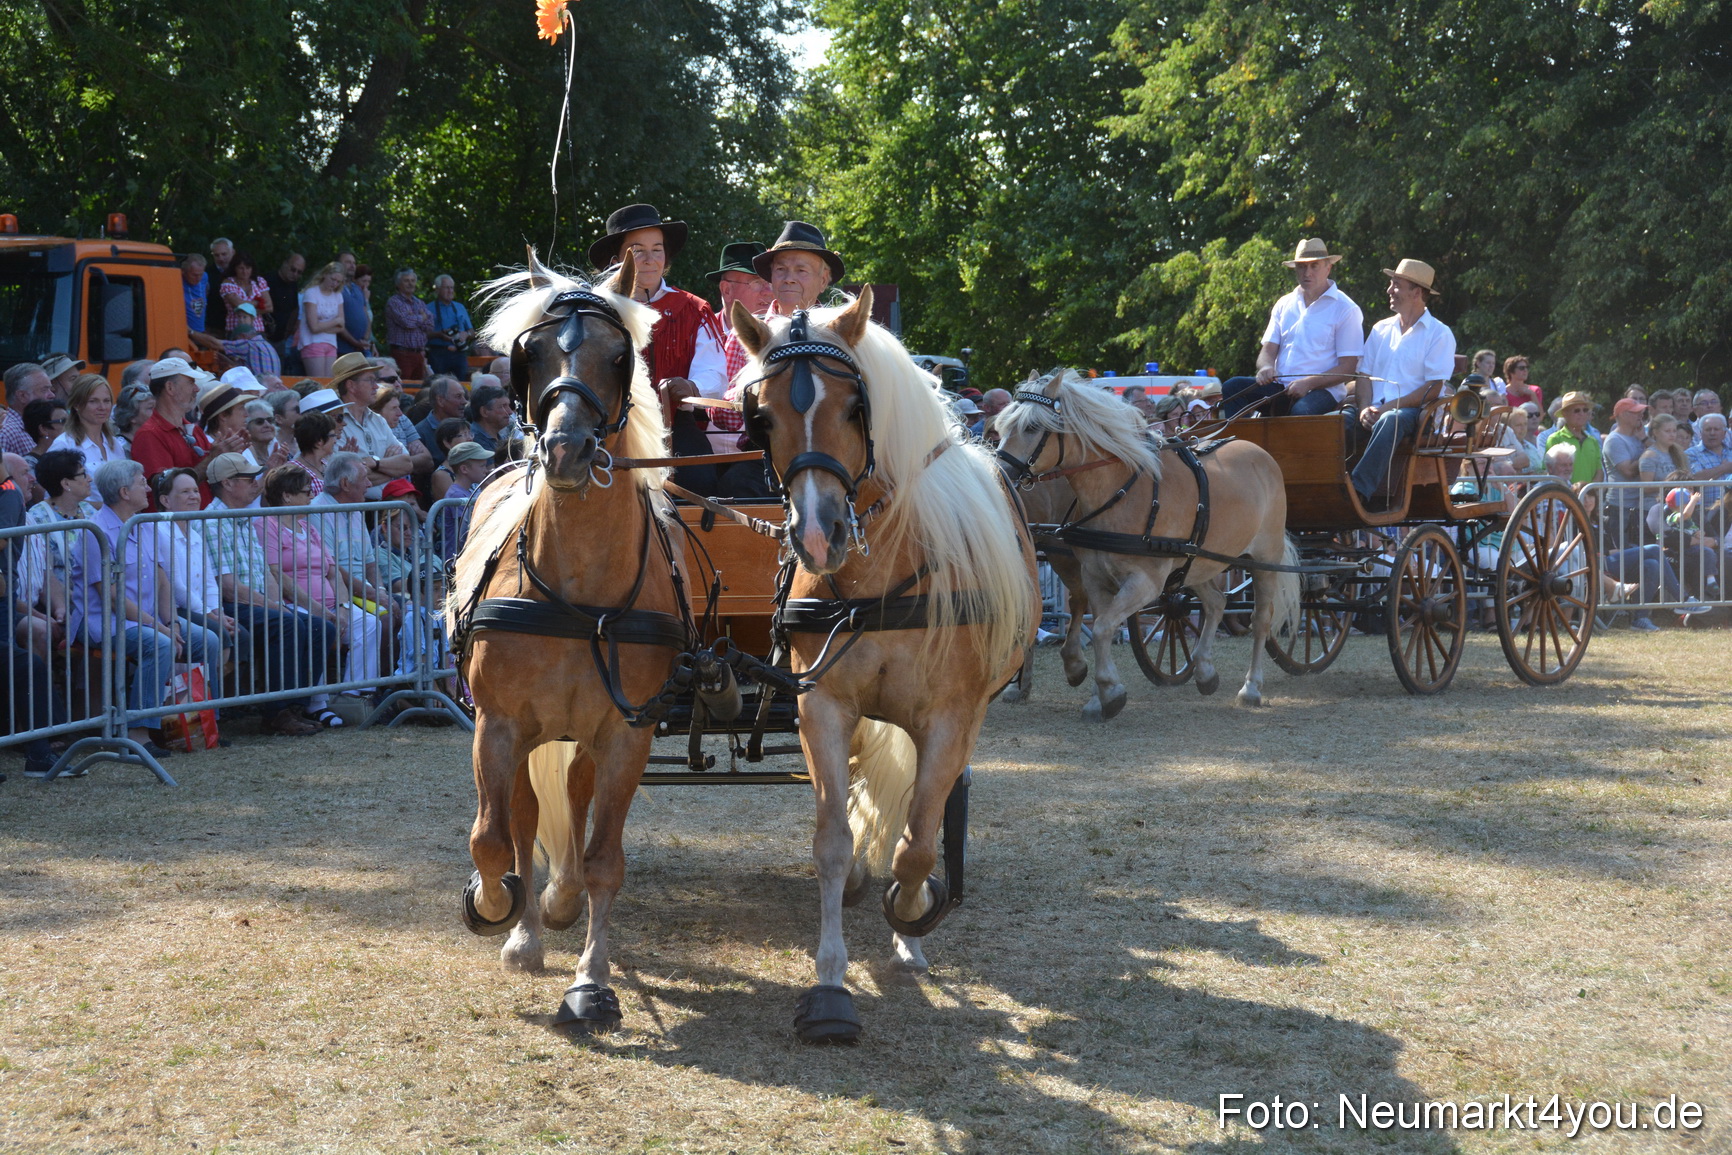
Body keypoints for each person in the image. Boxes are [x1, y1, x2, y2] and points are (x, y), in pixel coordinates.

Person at [66, 459, 223, 755]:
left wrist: (172, 622)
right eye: (141, 482)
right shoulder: (94, 532)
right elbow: (110, 596)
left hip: (150, 619)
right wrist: (159, 626)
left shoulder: (144, 525)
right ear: (124, 492)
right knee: (161, 645)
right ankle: (137, 732)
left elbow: (163, 579)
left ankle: (206, 724)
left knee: (208, 640)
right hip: (107, 622)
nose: (147, 488)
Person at [589, 203, 727, 491]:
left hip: (676, 425)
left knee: (700, 481)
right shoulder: (593, 309)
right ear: (617, 259)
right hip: (603, 427)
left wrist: (690, 386)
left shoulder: (692, 308)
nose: (649, 259)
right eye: (637, 250)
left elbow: (716, 376)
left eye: (657, 249)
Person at [204, 454, 331, 735]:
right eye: (248, 479)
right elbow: (227, 587)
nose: (256, 484)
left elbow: (267, 574)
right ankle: (277, 711)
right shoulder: (212, 522)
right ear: (227, 483)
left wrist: (278, 605)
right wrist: (277, 607)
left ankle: (295, 706)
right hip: (229, 605)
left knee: (322, 627)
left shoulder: (245, 519)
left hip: (254, 602)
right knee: (287, 623)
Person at [257, 464, 383, 700]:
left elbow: (332, 571)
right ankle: (318, 704)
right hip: (297, 605)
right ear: (286, 496)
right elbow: (276, 575)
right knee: (319, 627)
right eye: (306, 492)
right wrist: (317, 609)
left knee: (367, 623)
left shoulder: (308, 527)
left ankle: (354, 695)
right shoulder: (266, 525)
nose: (312, 497)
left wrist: (343, 607)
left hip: (331, 606)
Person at [1348, 259, 1456, 505]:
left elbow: (1433, 388)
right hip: (1374, 409)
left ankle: (1357, 492)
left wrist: (1386, 408)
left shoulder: (1439, 333)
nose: (1389, 290)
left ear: (1416, 292)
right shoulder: (1381, 329)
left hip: (1413, 415)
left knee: (1390, 420)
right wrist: (1364, 407)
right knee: (1336, 421)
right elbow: (1363, 375)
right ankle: (1324, 484)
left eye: (1396, 284)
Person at [1220, 238, 1363, 418]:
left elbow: (1348, 368)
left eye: (1314, 266)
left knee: (1301, 411)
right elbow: (1268, 350)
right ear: (1295, 269)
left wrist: (1309, 383)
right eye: (1302, 267)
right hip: (1281, 388)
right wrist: (1265, 367)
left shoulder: (1346, 309)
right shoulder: (1284, 303)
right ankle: (1240, 442)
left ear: (1328, 267)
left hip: (1323, 392)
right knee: (1232, 387)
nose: (1307, 272)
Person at [153, 468, 244, 698]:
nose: (194, 496)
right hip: (174, 608)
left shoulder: (194, 530)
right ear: (165, 500)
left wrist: (217, 611)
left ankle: (221, 702)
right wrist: (210, 615)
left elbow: (208, 579)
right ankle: (208, 708)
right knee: (219, 635)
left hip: (199, 608)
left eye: (195, 490)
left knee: (240, 634)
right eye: (185, 492)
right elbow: (176, 587)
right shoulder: (160, 532)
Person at [705, 240, 771, 452]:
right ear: (726, 290)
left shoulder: (776, 336)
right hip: (699, 453)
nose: (768, 292)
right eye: (757, 283)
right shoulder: (695, 331)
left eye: (769, 283)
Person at [130, 359, 220, 506]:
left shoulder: (194, 430)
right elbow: (166, 488)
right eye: (191, 383)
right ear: (170, 388)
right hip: (171, 527)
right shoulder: (149, 434)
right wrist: (212, 458)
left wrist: (227, 456)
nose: (197, 389)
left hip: (196, 525)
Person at [326, 354, 411, 490]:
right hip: (358, 508)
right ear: (351, 386)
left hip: (387, 508)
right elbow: (347, 477)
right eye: (370, 380)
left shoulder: (378, 420)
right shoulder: (335, 423)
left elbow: (407, 464)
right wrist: (390, 470)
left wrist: (374, 463)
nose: (376, 386)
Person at [1601, 397, 1650, 547]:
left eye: (1641, 412)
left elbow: (1660, 454)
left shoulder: (1640, 435)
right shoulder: (1614, 440)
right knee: (1624, 550)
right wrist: (1648, 454)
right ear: (1622, 415)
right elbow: (1628, 471)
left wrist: (1644, 439)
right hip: (1620, 507)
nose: (1641, 415)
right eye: (1635, 412)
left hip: (1638, 505)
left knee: (1642, 549)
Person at [437, 441, 494, 557]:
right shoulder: (456, 495)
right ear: (464, 469)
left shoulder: (470, 491)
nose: (486, 470)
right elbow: (468, 530)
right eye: (482, 466)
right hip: (457, 560)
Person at [297, 263, 349, 378]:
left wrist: (322, 326)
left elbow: (341, 327)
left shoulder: (337, 295)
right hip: (312, 342)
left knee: (329, 383)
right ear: (325, 274)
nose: (334, 284)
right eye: (333, 279)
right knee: (318, 383)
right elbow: (314, 327)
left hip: (331, 343)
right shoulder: (312, 293)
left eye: (338, 282)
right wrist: (335, 321)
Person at [369, 384, 431, 480]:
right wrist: (398, 464)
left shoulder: (402, 420)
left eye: (399, 407)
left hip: (407, 490)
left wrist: (388, 464)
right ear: (376, 412)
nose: (400, 413)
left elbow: (427, 461)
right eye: (394, 408)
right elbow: (366, 473)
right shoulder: (366, 431)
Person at [1544, 392, 1604, 486]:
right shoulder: (1555, 439)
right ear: (1565, 414)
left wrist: (1588, 492)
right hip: (1564, 497)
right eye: (1577, 410)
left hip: (1588, 498)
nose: (1582, 414)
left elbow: (1599, 472)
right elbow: (1550, 472)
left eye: (1585, 410)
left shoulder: (1593, 441)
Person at [384, 269, 434, 381]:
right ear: (398, 284)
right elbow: (407, 322)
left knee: (418, 387)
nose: (410, 283)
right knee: (403, 386)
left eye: (413, 280)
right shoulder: (394, 302)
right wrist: (422, 317)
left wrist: (414, 318)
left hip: (419, 354)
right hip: (402, 354)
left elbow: (430, 325)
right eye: (406, 281)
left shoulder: (419, 302)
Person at [424, 275, 476, 378]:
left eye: (452, 287)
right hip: (437, 354)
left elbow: (472, 332)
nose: (450, 291)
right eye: (446, 288)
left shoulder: (459, 307)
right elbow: (422, 334)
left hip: (459, 353)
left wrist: (466, 334)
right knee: (438, 384)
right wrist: (439, 334)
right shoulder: (428, 309)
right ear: (438, 290)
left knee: (461, 384)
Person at [414, 375, 468, 467]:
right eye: (458, 396)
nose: (464, 401)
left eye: (464, 396)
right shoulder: (420, 433)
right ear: (440, 401)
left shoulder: (466, 426)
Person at [2, 363, 52, 457]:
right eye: (44, 390)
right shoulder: (7, 433)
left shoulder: (32, 425)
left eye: (50, 389)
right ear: (22, 396)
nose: (52, 395)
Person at [287, 410, 340, 499]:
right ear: (319, 441)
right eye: (333, 436)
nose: (335, 440)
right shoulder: (293, 472)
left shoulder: (327, 464)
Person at [1685, 412, 1732, 510]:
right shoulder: (1691, 454)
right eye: (1708, 429)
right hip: (1705, 512)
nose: (1712, 433)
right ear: (1701, 433)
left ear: (1724, 433)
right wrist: (1724, 468)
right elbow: (1695, 478)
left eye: (1716, 429)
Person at [336, 251, 373, 357]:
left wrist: (365, 340)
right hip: (341, 350)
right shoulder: (335, 288)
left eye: (354, 263)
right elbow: (337, 321)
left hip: (361, 350)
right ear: (337, 264)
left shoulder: (358, 289)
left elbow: (366, 316)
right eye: (348, 262)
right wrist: (355, 343)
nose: (352, 265)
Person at [264, 253, 306, 346]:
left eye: (299, 272)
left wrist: (289, 330)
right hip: (263, 336)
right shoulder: (268, 280)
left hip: (281, 339)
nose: (295, 274)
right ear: (285, 264)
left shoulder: (293, 285)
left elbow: (295, 308)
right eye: (293, 269)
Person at [428, 419, 475, 502]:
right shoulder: (442, 475)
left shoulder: (476, 465)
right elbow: (454, 508)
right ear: (447, 443)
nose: (470, 438)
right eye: (464, 434)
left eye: (470, 434)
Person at [240, 399, 290, 472]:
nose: (267, 425)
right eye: (259, 422)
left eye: (270, 420)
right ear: (246, 427)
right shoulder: (242, 455)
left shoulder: (276, 448)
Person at [465, 383, 513, 454]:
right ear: (484, 412)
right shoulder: (474, 440)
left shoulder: (499, 436)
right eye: (502, 406)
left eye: (508, 406)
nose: (510, 412)